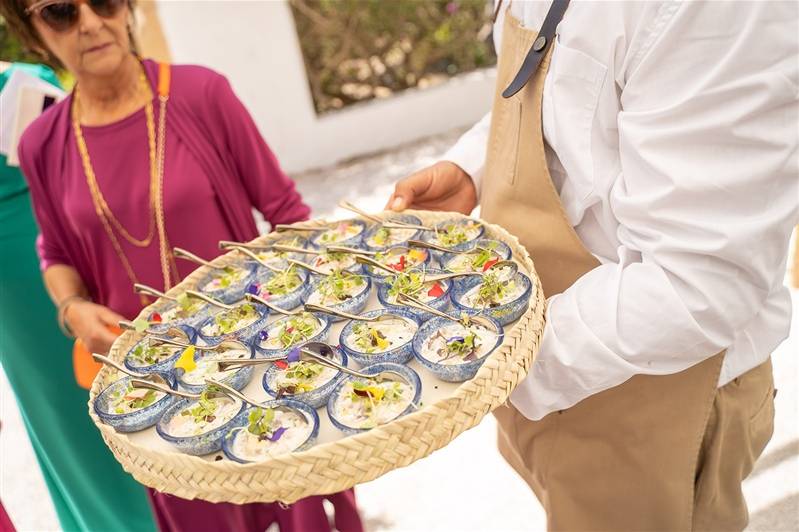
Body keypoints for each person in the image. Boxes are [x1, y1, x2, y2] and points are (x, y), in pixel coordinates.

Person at [387, 0, 798, 530]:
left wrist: (490, 360)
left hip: (654, 407)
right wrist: (476, 168)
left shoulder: (720, 12)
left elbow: (696, 286)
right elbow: (562, 94)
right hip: (559, 377)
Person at [1, 0, 363, 530]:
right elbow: (53, 251)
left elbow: (288, 215)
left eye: (102, 1)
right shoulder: (41, 142)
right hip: (156, 397)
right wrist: (72, 308)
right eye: (60, 12)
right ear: (32, 32)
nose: (90, 22)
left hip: (262, 373)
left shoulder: (200, 93)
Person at [0, 60, 157, 532]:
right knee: (60, 412)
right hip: (11, 286)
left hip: (65, 248)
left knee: (116, 384)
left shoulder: (29, 81)